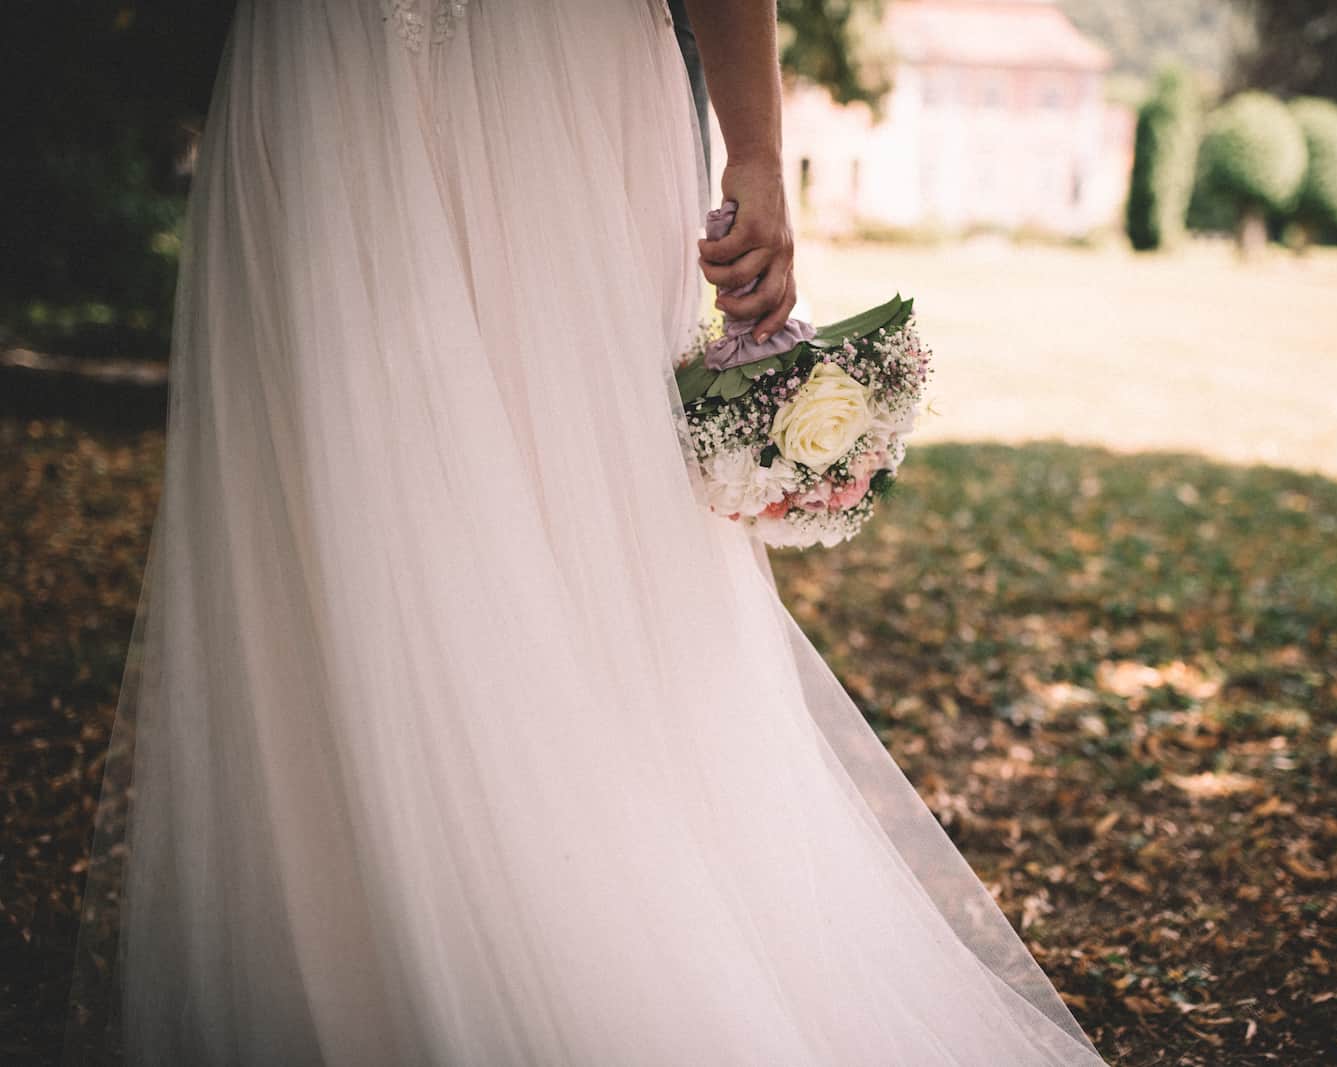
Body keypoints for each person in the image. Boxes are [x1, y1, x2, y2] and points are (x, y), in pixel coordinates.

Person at [64, 2, 1104, 1063]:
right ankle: (361, 961)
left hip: (562, 97)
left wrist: (755, 146)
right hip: (331, 82)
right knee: (343, 515)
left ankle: (606, 955)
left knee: (585, 513)